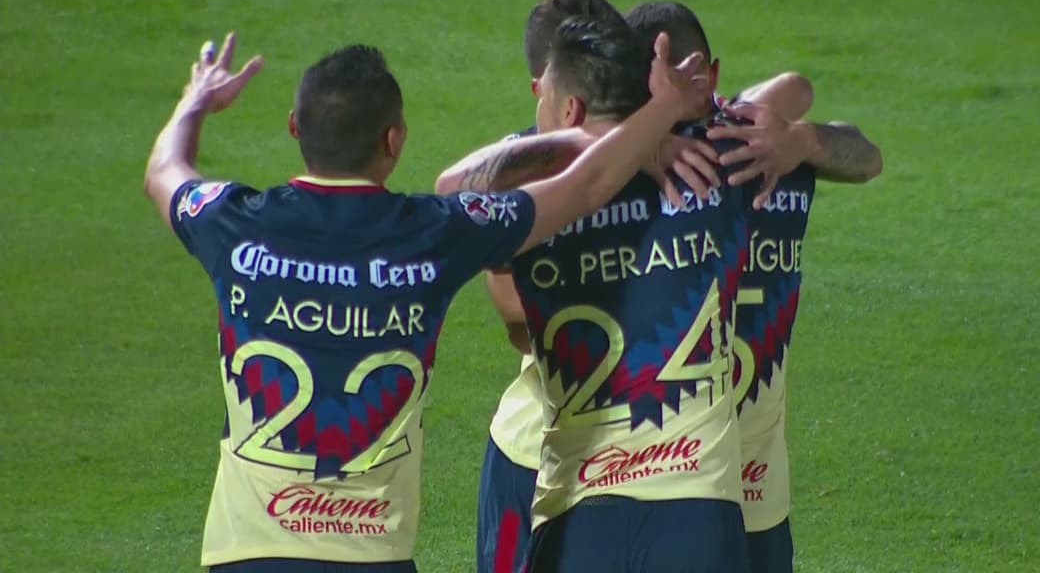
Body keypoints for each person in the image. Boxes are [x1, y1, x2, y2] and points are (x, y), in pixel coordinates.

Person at [141, 29, 709, 572]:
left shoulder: (233, 226)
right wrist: (660, 111)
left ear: (295, 126)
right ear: (394, 140)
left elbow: (163, 171)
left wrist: (195, 102)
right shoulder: (435, 233)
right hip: (374, 557)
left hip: (249, 554)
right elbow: (585, 186)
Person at [467, 0, 817, 573]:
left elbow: (792, 90)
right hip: (552, 454)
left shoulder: (541, 186)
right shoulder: (690, 166)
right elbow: (518, 321)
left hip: (582, 467)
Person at [627, 1, 883, 573]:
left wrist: (803, 139)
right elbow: (831, 123)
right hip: (674, 475)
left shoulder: (757, 143)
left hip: (726, 480)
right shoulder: (626, 168)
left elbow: (865, 155)